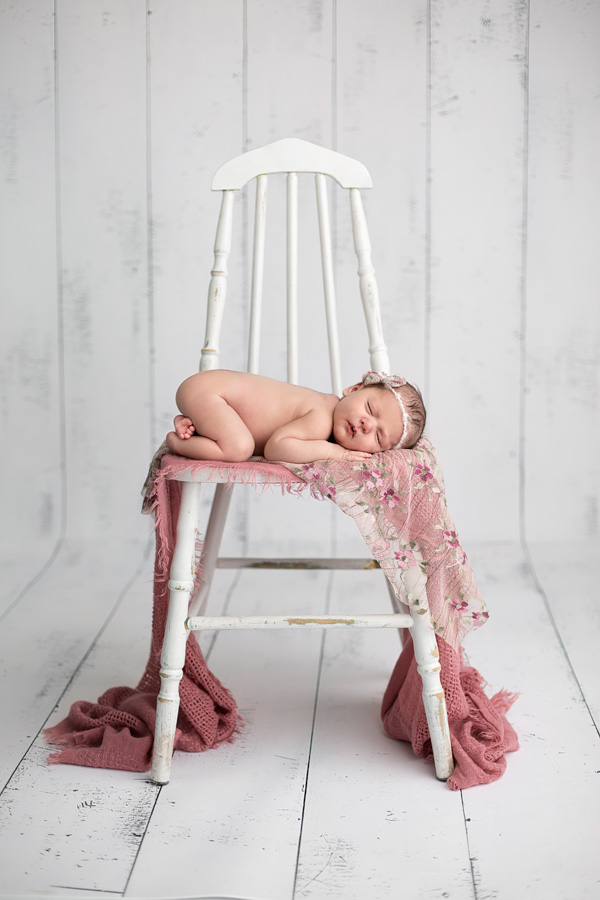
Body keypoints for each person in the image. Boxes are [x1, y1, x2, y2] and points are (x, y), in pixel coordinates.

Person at [165, 369, 426, 465]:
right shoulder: (322, 417)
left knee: (235, 437)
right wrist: (337, 454)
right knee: (239, 447)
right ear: (354, 389)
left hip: (214, 400)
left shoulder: (328, 415)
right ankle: (178, 443)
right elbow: (276, 449)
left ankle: (196, 425)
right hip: (212, 392)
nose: (367, 424)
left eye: (379, 436)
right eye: (370, 409)